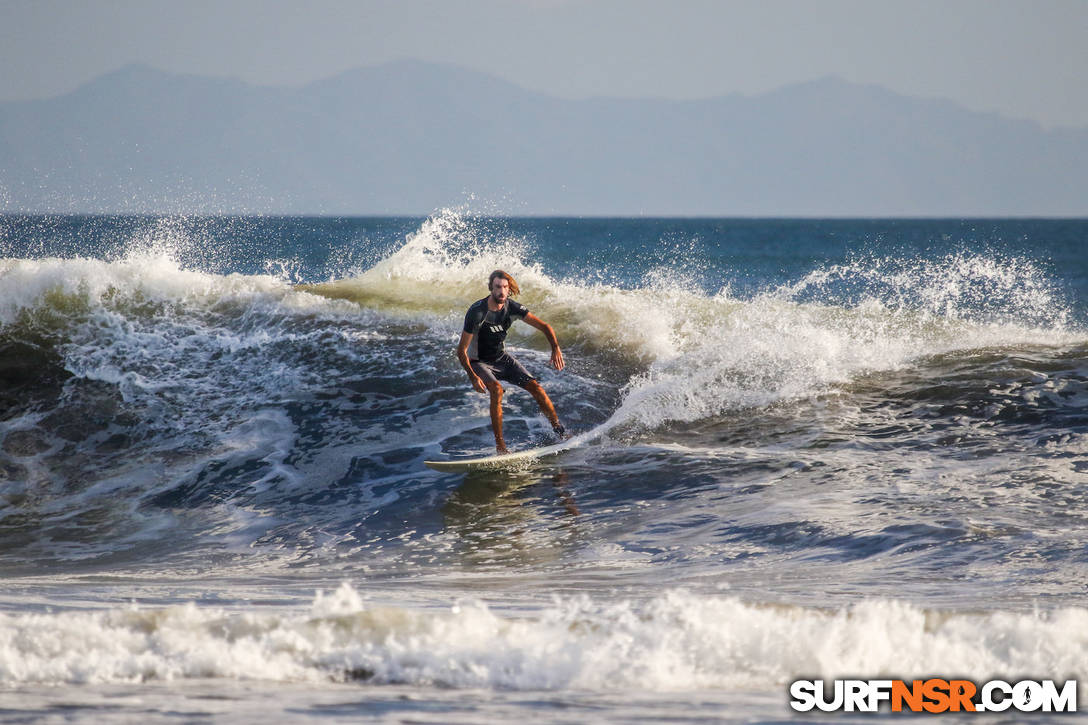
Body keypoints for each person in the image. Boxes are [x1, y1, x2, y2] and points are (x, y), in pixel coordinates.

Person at [456, 269, 566, 453]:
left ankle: (560, 432)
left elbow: (545, 326)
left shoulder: (512, 308)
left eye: (505, 287)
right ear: (491, 287)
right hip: (479, 362)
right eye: (498, 287)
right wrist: (472, 376)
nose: (501, 291)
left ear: (509, 289)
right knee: (497, 390)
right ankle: (501, 447)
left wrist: (555, 347)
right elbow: (461, 351)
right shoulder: (477, 313)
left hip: (502, 359)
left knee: (536, 388)